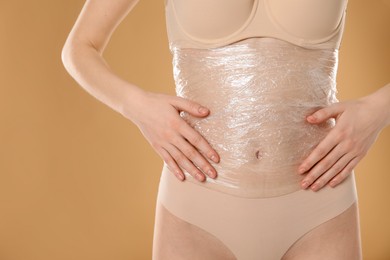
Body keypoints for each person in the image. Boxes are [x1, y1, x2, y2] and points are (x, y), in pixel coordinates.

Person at [61, 0, 390, 259]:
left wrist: (378, 109)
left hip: (321, 208)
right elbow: (79, 47)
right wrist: (137, 106)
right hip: (197, 208)